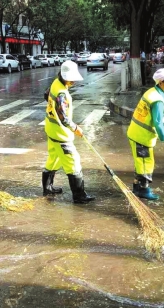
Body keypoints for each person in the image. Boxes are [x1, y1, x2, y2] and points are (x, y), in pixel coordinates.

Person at [42, 60, 95, 204]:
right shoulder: (61, 93)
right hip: (61, 134)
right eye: (72, 80)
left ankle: (47, 188)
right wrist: (76, 128)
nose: (73, 82)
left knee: (53, 158)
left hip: (51, 129)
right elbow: (64, 118)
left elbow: (46, 95)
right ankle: (79, 196)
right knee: (73, 162)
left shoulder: (55, 83)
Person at [127, 68, 164, 200]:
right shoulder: (157, 100)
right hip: (141, 136)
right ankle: (143, 190)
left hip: (135, 132)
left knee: (140, 162)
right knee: (145, 163)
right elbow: (158, 123)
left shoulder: (152, 92)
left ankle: (137, 187)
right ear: (161, 82)